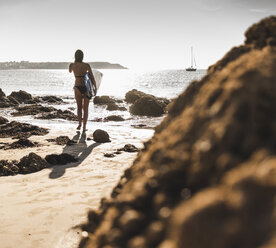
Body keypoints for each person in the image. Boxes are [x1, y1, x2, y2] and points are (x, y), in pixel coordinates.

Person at [69, 49, 97, 132]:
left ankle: (79, 124)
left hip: (77, 86)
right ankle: (84, 127)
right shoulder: (86, 65)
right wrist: (95, 88)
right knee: (86, 108)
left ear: (75, 56)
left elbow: (70, 71)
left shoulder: (72, 65)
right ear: (82, 56)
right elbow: (92, 77)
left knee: (79, 107)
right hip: (86, 87)